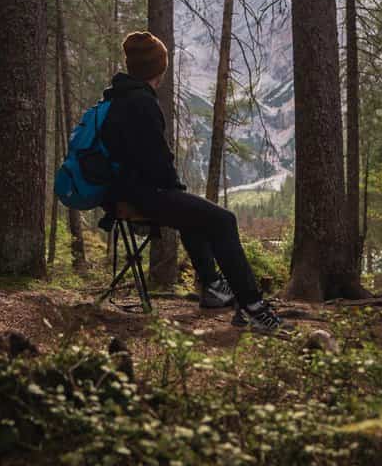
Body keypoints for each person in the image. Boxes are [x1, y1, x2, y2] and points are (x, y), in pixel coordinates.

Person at [100, 31, 289, 334]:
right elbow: (155, 163)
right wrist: (172, 187)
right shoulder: (141, 103)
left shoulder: (119, 96)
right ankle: (253, 307)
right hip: (141, 194)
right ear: (157, 70)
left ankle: (213, 288)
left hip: (124, 190)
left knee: (194, 215)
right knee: (224, 220)